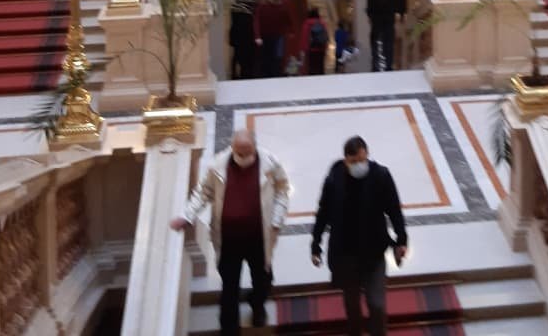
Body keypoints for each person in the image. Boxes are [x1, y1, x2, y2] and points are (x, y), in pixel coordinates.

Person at [170, 129, 290, 335]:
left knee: (263, 281)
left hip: (258, 239)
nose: (244, 157)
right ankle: (229, 328)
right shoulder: (218, 165)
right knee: (229, 288)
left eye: (248, 152)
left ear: (255, 146)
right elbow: (203, 192)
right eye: (239, 153)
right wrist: (187, 215)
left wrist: (277, 220)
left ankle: (257, 305)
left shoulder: (270, 163)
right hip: (229, 241)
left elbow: (282, 190)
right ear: (232, 148)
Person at [311, 136, 407, 336]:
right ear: (346, 159)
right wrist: (315, 245)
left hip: (374, 252)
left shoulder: (380, 176)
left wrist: (401, 240)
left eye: (362, 160)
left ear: (367, 155)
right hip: (346, 255)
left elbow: (394, 209)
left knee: (377, 304)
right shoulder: (334, 180)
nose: (359, 165)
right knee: (352, 304)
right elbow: (323, 213)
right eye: (354, 162)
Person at [367, 0, 406, 72]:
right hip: (389, 16)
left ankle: (376, 66)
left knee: (375, 41)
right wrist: (401, 13)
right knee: (388, 41)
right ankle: (388, 65)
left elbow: (370, 0)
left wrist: (370, 14)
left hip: (377, 17)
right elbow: (400, 0)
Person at [255, 0, 294, 77]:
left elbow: (289, 17)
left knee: (278, 57)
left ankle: (277, 76)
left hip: (279, 34)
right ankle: (266, 77)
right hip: (265, 34)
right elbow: (257, 20)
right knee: (266, 58)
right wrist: (257, 36)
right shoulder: (263, 3)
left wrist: (291, 31)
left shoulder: (286, 2)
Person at [229, 0, 257, 80]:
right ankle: (246, 74)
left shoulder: (235, 11)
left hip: (238, 37)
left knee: (237, 56)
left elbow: (234, 25)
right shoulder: (250, 12)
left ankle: (235, 74)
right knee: (246, 58)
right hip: (247, 37)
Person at [302, 7, 330, 75]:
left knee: (312, 68)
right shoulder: (322, 23)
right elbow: (325, 36)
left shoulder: (307, 23)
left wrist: (304, 49)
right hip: (321, 49)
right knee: (320, 67)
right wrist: (326, 47)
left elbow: (304, 37)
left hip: (311, 49)